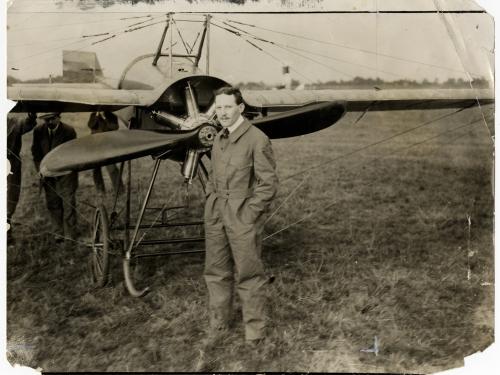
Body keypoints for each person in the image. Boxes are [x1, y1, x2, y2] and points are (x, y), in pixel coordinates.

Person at [203, 86, 279, 345]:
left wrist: (249, 214)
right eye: (219, 107)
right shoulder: (218, 138)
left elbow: (267, 183)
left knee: (249, 273)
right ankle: (219, 323)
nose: (222, 113)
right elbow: (212, 176)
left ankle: (255, 333)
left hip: (241, 214)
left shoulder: (257, 139)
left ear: (240, 108)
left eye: (227, 107)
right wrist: (210, 200)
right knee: (216, 270)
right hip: (216, 213)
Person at [31, 113, 78, 243]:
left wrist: (65, 167)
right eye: (46, 120)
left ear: (59, 117)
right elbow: (35, 152)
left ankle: (70, 234)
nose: (49, 122)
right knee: (53, 202)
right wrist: (40, 169)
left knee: (69, 203)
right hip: (48, 173)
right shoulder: (38, 131)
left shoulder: (69, 131)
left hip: (66, 172)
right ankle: (59, 233)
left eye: (52, 119)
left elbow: (73, 153)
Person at [7, 112, 37, 242]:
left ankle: (7, 230)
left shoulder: (14, 123)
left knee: (11, 195)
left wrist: (32, 115)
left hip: (11, 165)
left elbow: (27, 124)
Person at [87, 111, 124, 195]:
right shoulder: (93, 114)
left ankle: (119, 190)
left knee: (112, 169)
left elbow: (115, 127)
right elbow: (90, 125)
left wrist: (104, 118)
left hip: (107, 145)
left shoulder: (111, 115)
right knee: (95, 169)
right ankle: (100, 190)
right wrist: (96, 116)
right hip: (96, 145)